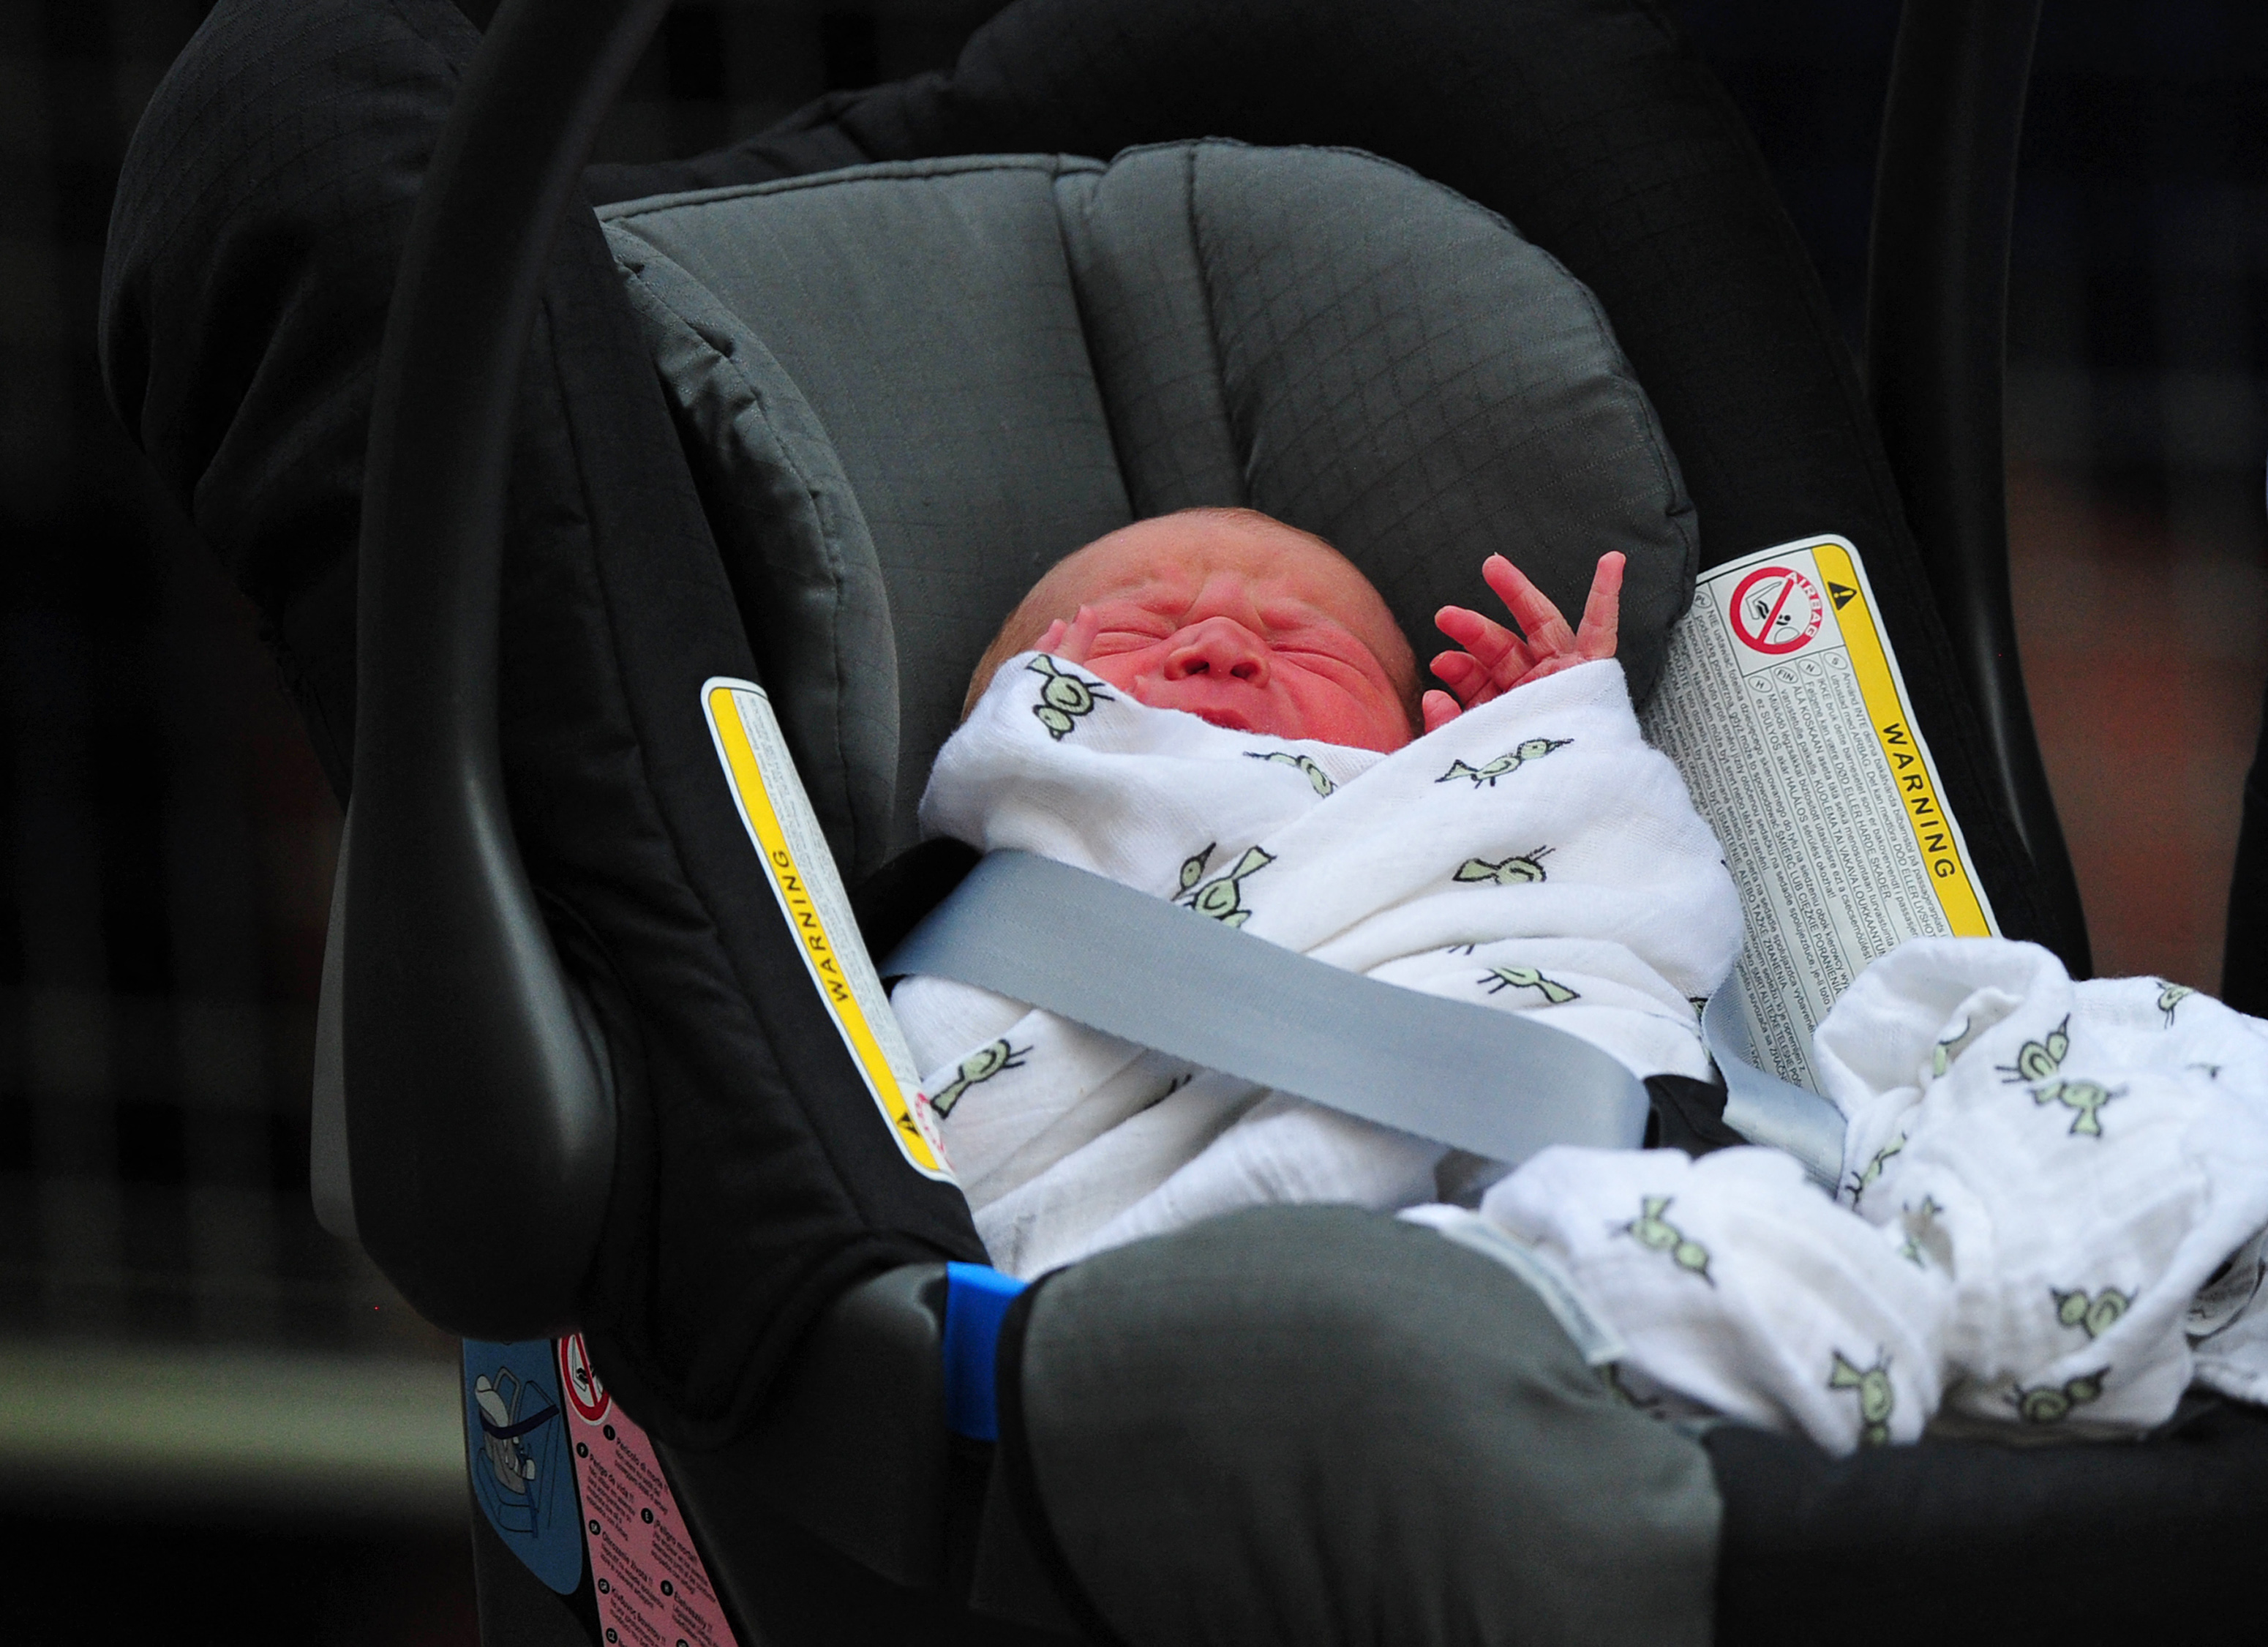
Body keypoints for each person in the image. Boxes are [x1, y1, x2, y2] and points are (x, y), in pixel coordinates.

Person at [895, 506, 1742, 1279]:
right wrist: (1047, 752)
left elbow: (1631, 888)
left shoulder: (1442, 823)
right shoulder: (982, 887)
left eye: (1310, 645)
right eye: (1135, 624)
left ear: (1415, 744)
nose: (1221, 644)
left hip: (1578, 1179)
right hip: (1181, 1281)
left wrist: (1552, 751)